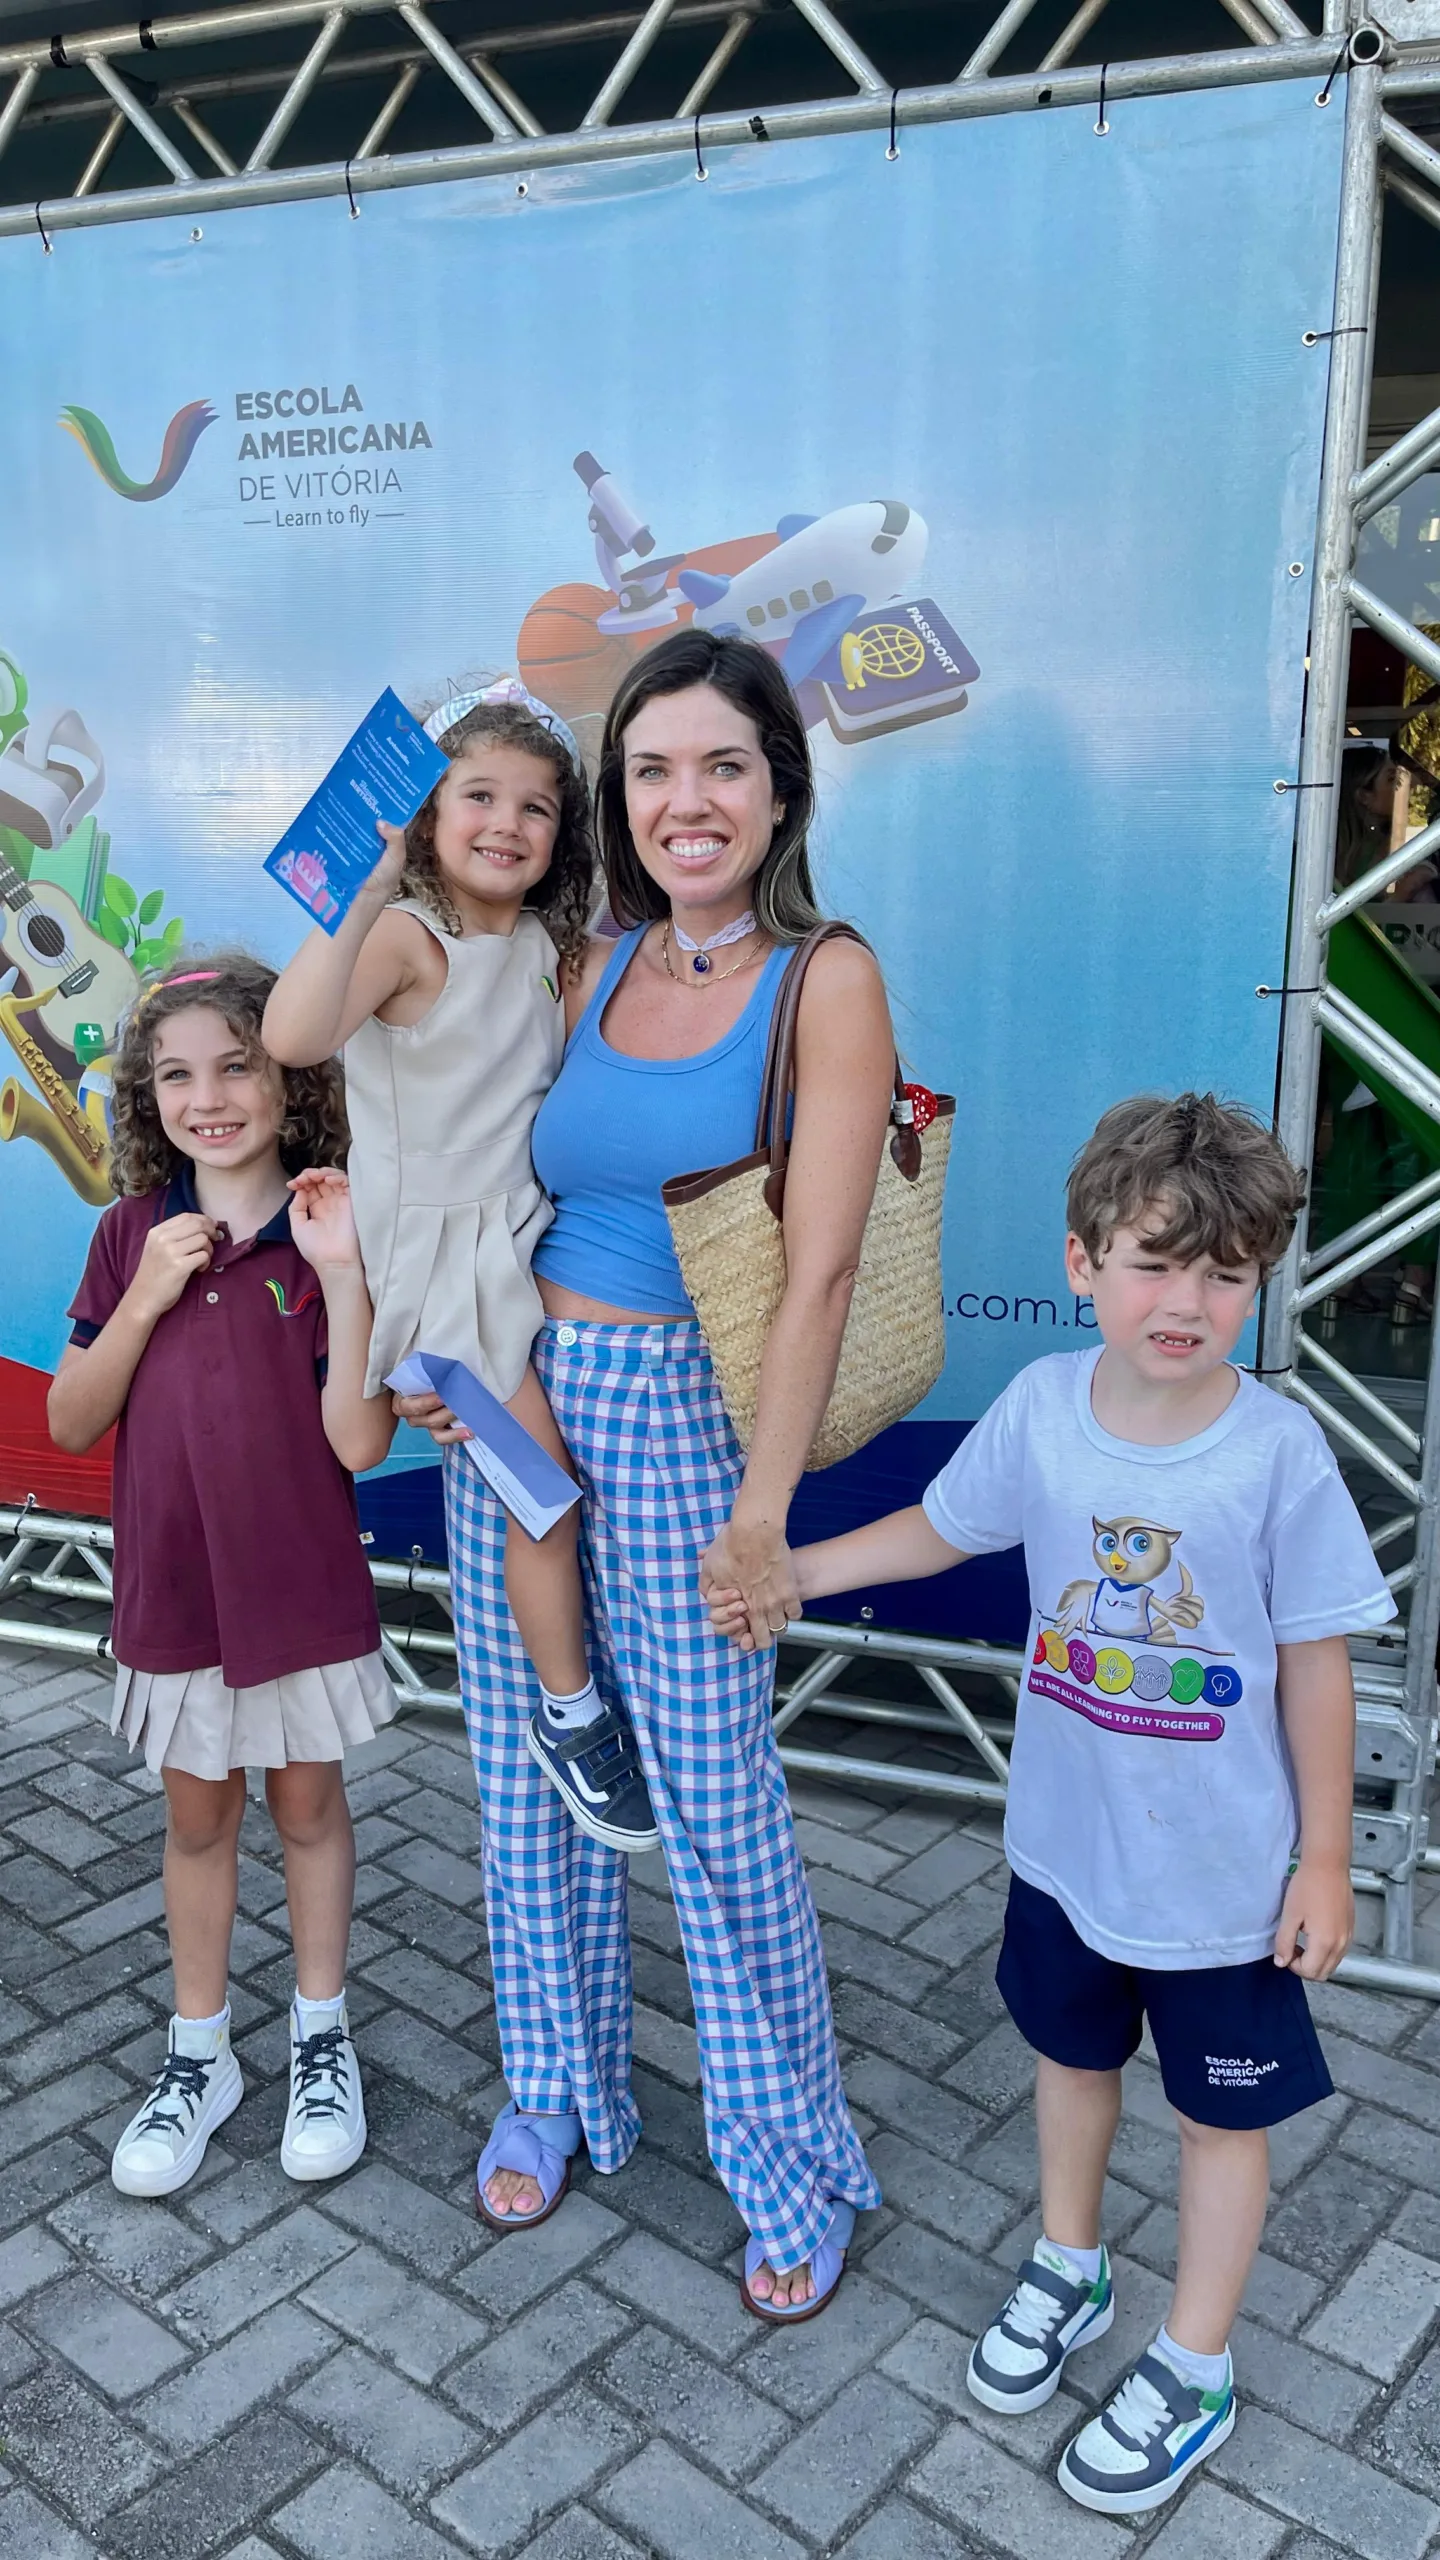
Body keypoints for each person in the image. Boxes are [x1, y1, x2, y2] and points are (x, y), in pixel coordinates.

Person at [711, 1092, 1395, 2501]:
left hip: (1224, 1889)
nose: (1186, 1299)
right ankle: (1068, 2264)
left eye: (1224, 1271)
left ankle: (1194, 2362)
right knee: (1070, 2065)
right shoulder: (1039, 1410)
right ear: (1082, 1263)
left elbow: (1317, 1670)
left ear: (1260, 1279)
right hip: (1067, 1860)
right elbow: (941, 1527)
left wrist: (1324, 1859)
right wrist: (794, 1572)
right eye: (1155, 1260)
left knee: (1221, 2122)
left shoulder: (1279, 1454)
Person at [396, 628, 889, 2316]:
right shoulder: (589, 956)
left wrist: (763, 1513)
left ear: (779, 789)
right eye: (655, 770)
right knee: (527, 1783)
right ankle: (562, 2089)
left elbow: (818, 1269)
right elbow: (459, 1150)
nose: (688, 802)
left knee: (718, 1809)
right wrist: (443, 1354)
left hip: (686, 1427)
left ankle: (785, 2153)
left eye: (723, 767)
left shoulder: (825, 977)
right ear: (622, 801)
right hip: (518, 1412)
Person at [264, 680, 656, 1855]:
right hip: (443, 1260)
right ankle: (570, 1710)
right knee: (540, 1489)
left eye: (537, 807)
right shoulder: (403, 937)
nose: (507, 822)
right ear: (428, 814)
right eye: (478, 794)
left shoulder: (546, 946)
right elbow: (290, 1039)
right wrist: (366, 893)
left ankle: (578, 1690)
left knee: (512, 1479)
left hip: (525, 1238)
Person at [47, 955, 400, 2197]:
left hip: (299, 1588)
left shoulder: (327, 1225)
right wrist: (143, 1297)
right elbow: (73, 1416)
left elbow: (360, 1441)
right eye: (178, 1073)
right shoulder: (128, 1234)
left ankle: (319, 2035)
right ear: (150, 1096)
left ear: (286, 1075)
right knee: (198, 1819)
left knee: (308, 1807)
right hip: (176, 1594)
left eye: (237, 1064)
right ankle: (200, 2053)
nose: (210, 1096)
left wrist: (348, 1270)